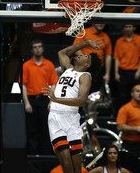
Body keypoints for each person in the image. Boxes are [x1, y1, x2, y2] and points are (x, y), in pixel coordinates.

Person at [42, 40, 101, 173]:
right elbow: (62, 52)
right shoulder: (68, 69)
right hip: (55, 116)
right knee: (65, 162)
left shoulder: (85, 76)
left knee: (76, 168)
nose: (81, 54)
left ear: (87, 64)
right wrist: (85, 43)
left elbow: (81, 101)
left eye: (86, 56)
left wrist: (56, 99)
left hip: (71, 118)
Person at [22, 39, 58, 154]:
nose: (37, 49)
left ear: (43, 48)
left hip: (44, 100)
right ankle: (32, 154)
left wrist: (51, 101)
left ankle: (45, 154)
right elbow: (23, 85)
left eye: (39, 46)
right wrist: (26, 102)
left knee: (45, 128)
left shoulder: (49, 65)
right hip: (32, 100)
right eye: (35, 47)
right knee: (32, 129)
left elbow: (53, 84)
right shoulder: (26, 65)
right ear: (32, 50)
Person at [113, 24, 140, 110]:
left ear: (134, 28)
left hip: (135, 71)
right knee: (122, 96)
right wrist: (116, 73)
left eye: (130, 26)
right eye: (126, 27)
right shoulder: (119, 41)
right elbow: (117, 58)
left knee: (137, 94)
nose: (128, 29)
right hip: (122, 71)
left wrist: (139, 71)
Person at [116, 84, 140, 172]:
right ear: (132, 93)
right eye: (137, 91)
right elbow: (120, 126)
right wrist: (136, 129)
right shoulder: (125, 108)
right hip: (130, 146)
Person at [73, 24, 112, 93]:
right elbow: (75, 48)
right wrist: (85, 60)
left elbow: (108, 55)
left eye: (103, 22)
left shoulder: (105, 37)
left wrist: (107, 73)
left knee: (95, 91)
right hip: (85, 68)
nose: (101, 24)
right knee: (82, 89)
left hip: (98, 70)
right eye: (99, 22)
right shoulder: (84, 32)